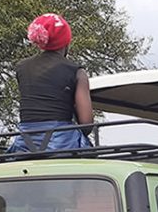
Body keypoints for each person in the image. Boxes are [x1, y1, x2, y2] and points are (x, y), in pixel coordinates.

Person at [7, 13, 93, 154]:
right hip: (62, 142)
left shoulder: (21, 68)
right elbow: (87, 124)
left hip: (24, 144)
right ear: (66, 42)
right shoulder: (77, 72)